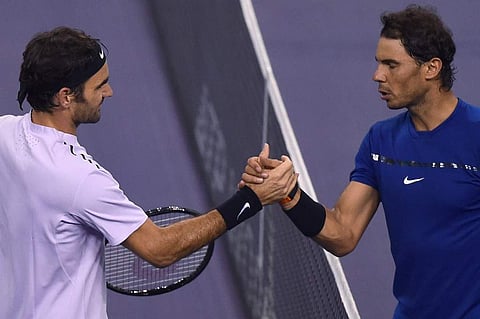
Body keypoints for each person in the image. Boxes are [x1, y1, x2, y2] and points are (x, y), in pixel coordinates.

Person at [0, 26, 297, 319]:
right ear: (66, 97)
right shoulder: (82, 180)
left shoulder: (5, 133)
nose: (109, 91)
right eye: (99, 85)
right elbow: (161, 250)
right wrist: (251, 199)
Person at [241, 4, 480, 319]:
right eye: (378, 63)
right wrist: (288, 193)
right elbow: (343, 232)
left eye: (391, 65)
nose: (377, 75)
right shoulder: (380, 141)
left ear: (431, 68)